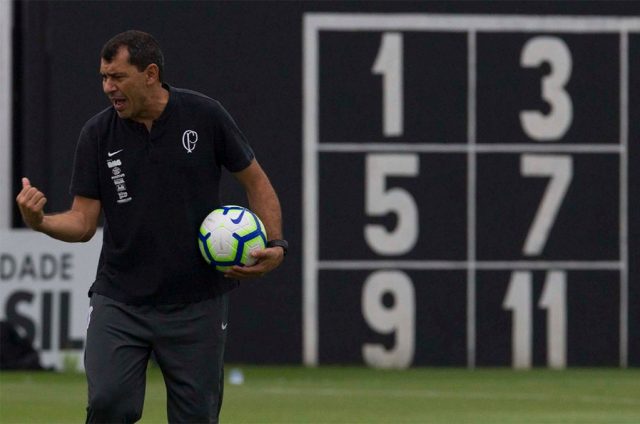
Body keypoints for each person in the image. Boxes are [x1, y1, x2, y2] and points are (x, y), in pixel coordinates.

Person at [15, 30, 287, 423]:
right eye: (103, 77)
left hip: (197, 303)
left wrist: (275, 244)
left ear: (150, 73)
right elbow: (83, 223)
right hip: (121, 301)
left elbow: (256, 181)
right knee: (110, 403)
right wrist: (40, 222)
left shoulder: (205, 115)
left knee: (196, 417)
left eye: (117, 77)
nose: (108, 88)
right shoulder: (96, 134)